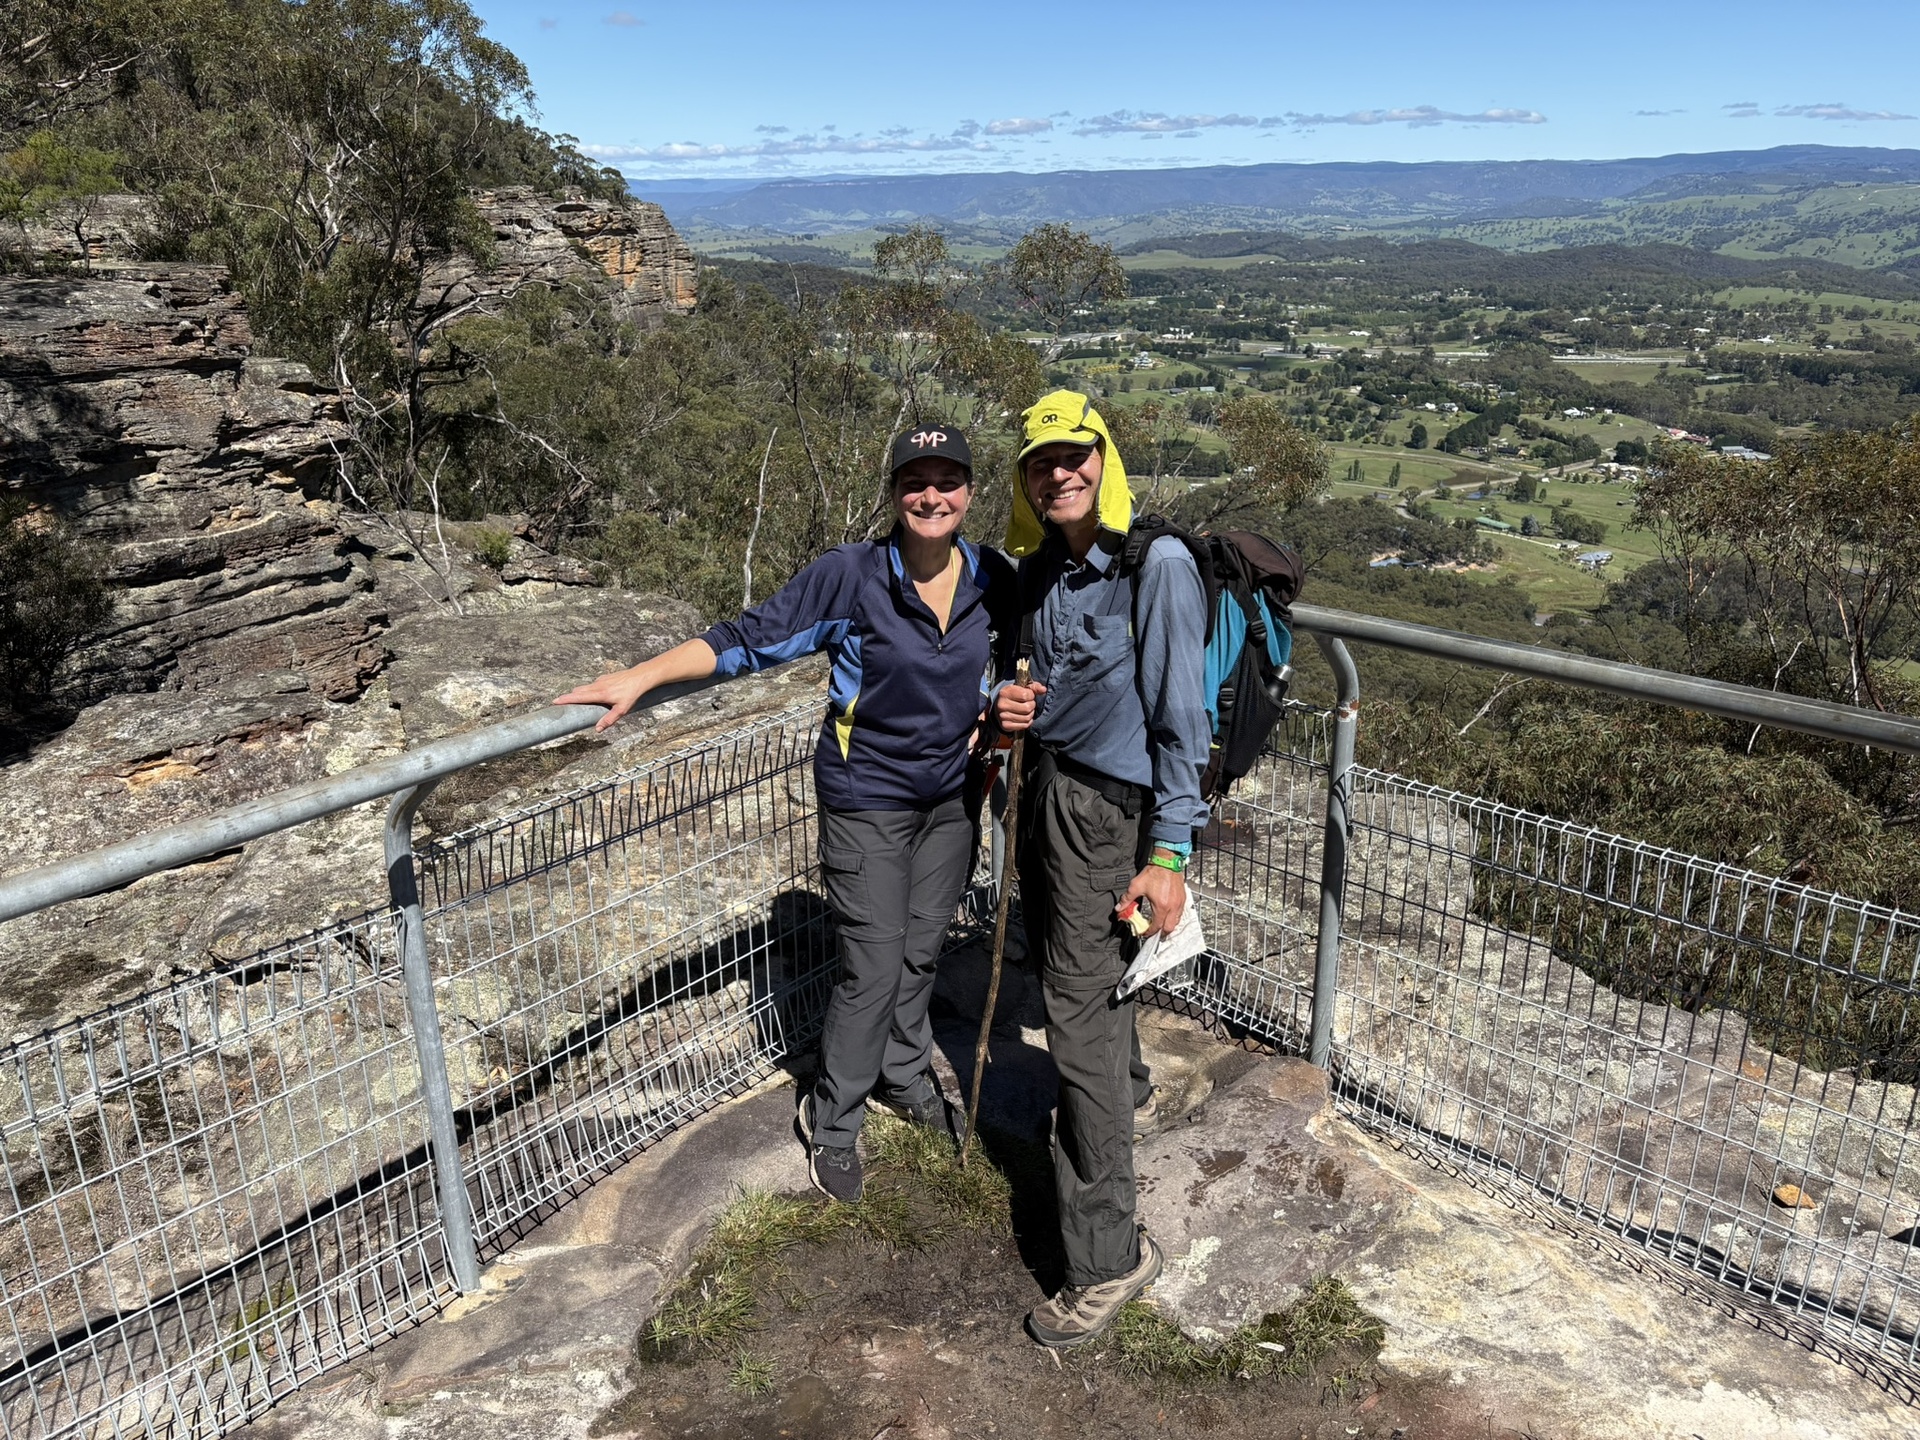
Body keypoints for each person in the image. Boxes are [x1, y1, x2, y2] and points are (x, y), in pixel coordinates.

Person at [556, 425, 1011, 1203]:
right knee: (873, 965)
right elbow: (749, 639)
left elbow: (1023, 653)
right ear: (894, 492)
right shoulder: (853, 575)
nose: (931, 496)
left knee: (919, 954)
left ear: (970, 491)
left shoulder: (992, 576)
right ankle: (832, 1117)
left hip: (951, 801)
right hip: (866, 800)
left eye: (948, 481)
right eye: (915, 481)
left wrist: (996, 706)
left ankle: (904, 1074)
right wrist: (641, 675)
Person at [991, 390, 1210, 1348]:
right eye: (1041, 463)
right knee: (1079, 992)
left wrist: (1168, 854)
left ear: (1104, 459)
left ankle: (1108, 1257)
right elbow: (1035, 678)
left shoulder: (1156, 567)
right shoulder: (1044, 567)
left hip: (1111, 820)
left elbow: (1183, 720)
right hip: (1049, 797)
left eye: (1075, 456)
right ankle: (1128, 1093)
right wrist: (1009, 702)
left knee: (1075, 1028)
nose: (1060, 474)